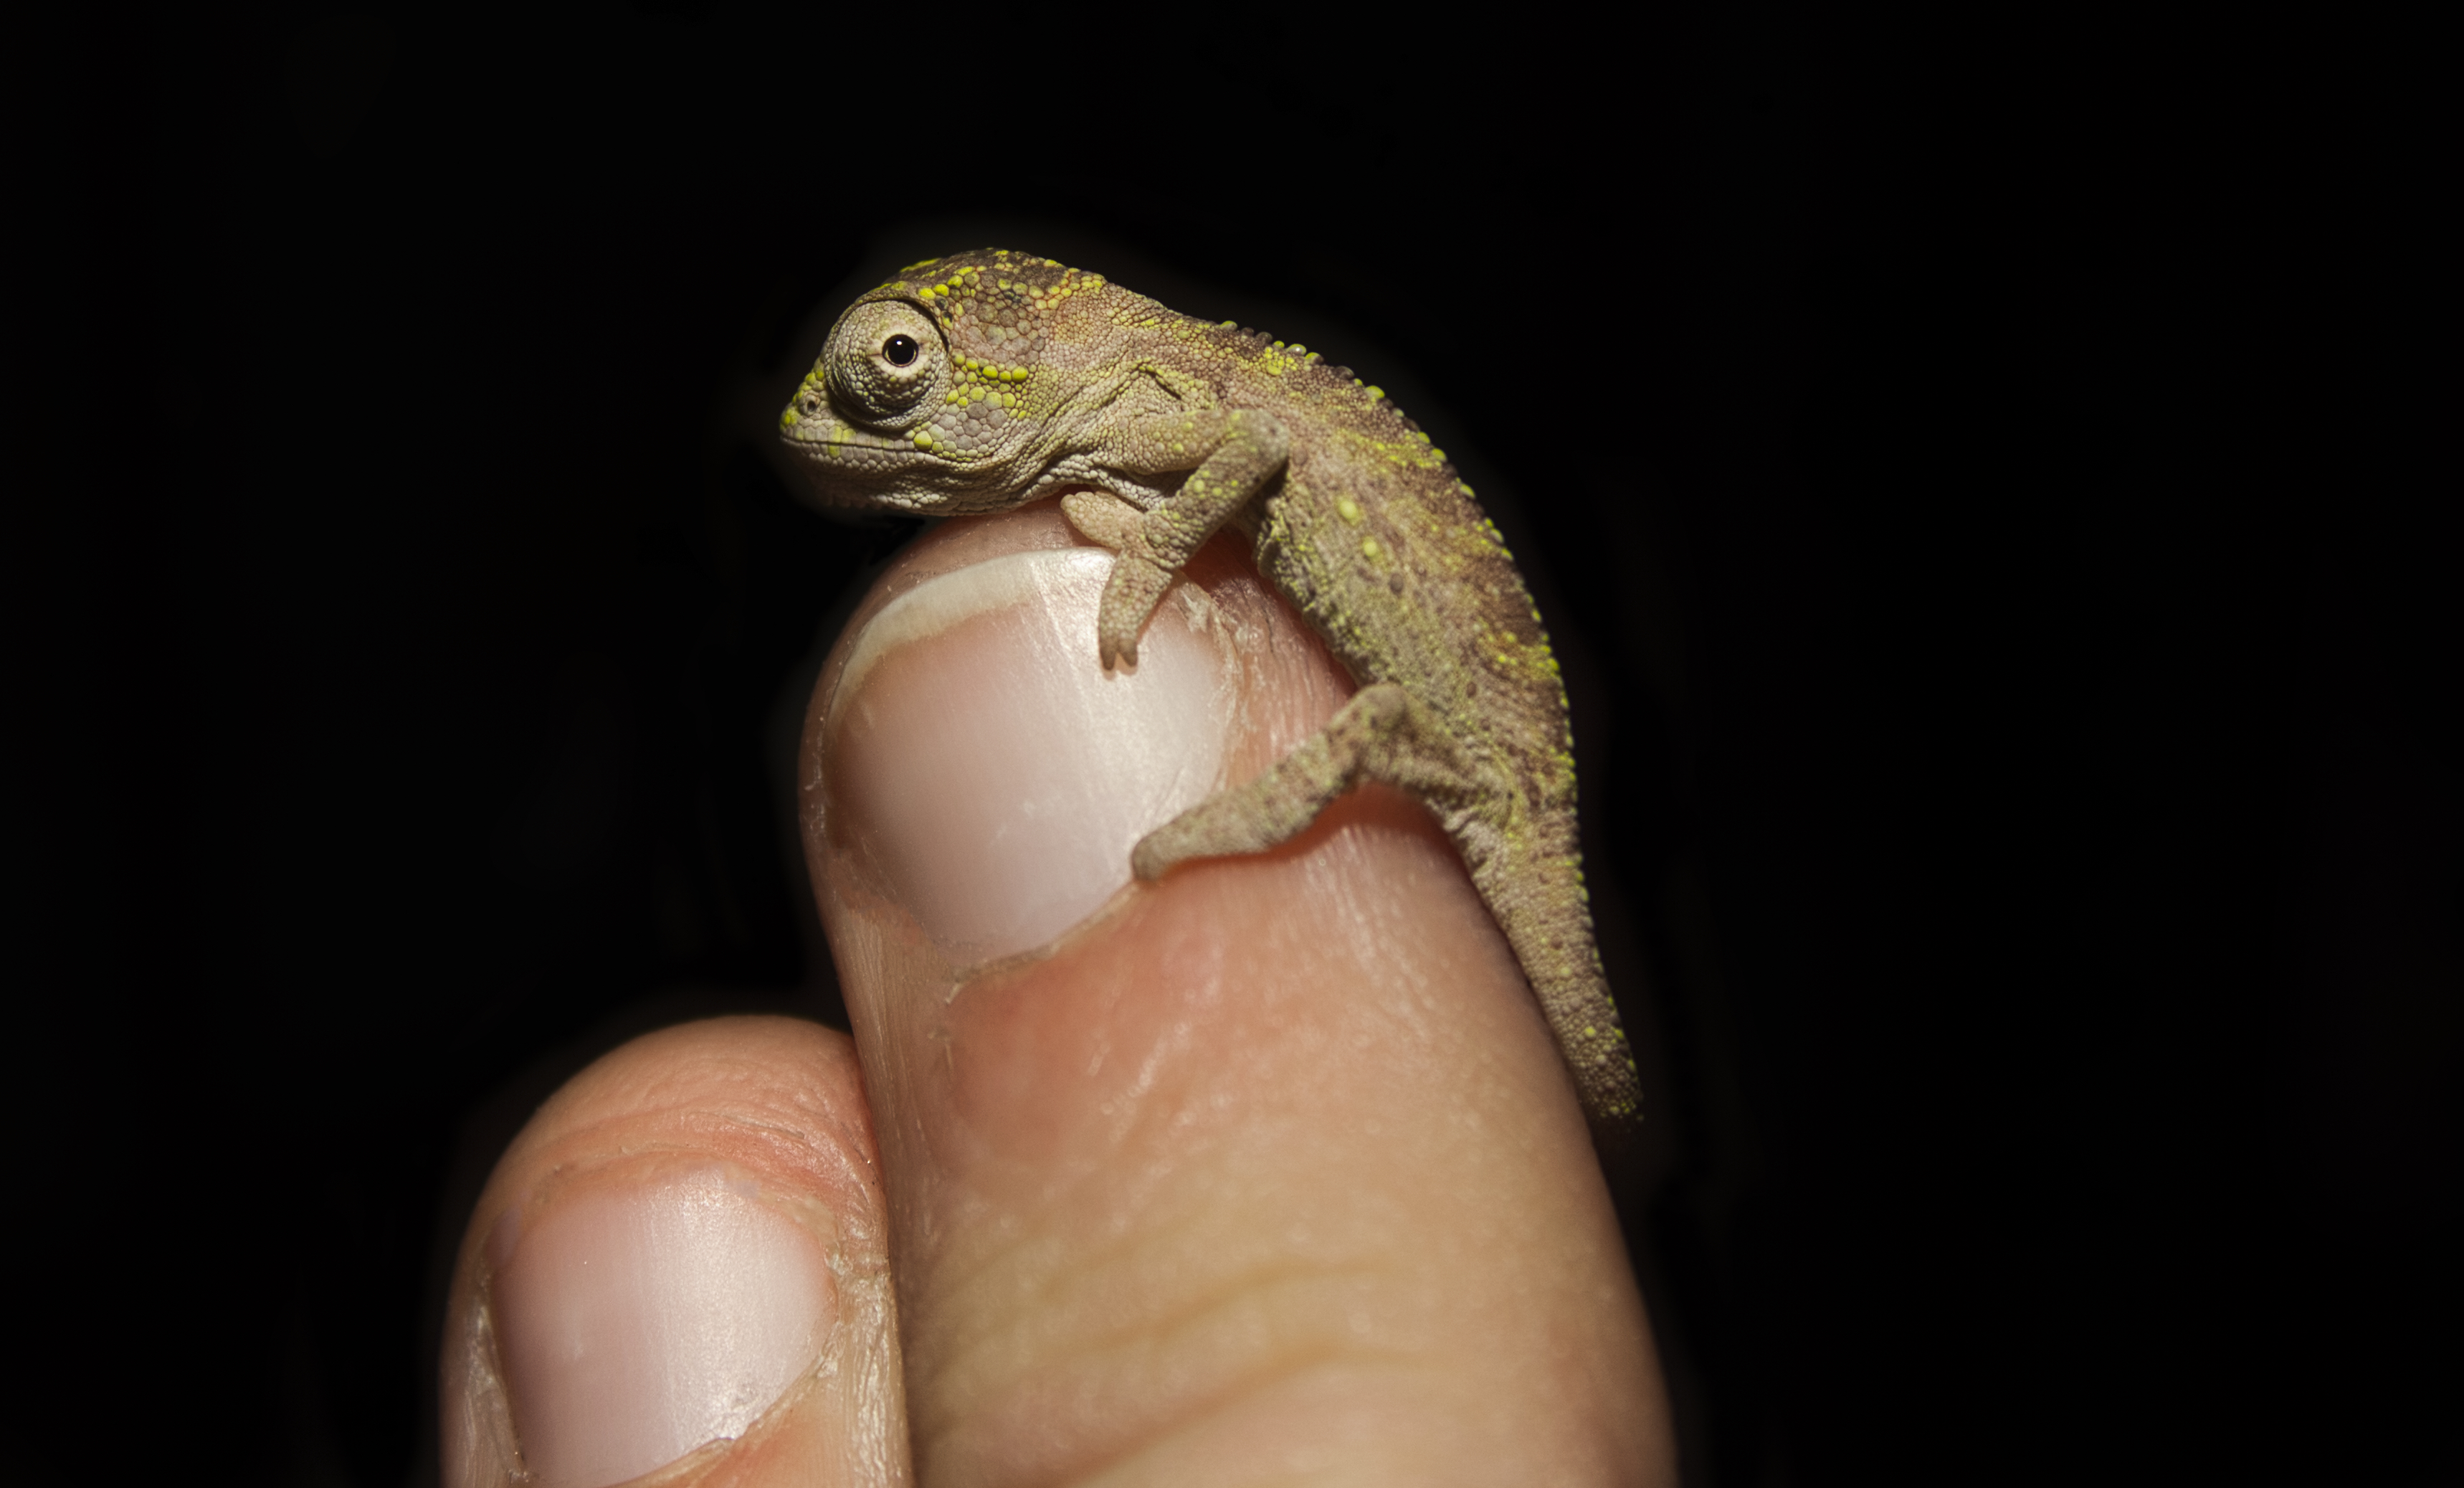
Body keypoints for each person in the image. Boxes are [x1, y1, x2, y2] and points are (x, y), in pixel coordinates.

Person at [439, 505, 1673, 1486]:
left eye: (904, 370)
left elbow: (1251, 443)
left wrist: (1220, 791)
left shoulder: (1164, 397)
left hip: (1474, 737)